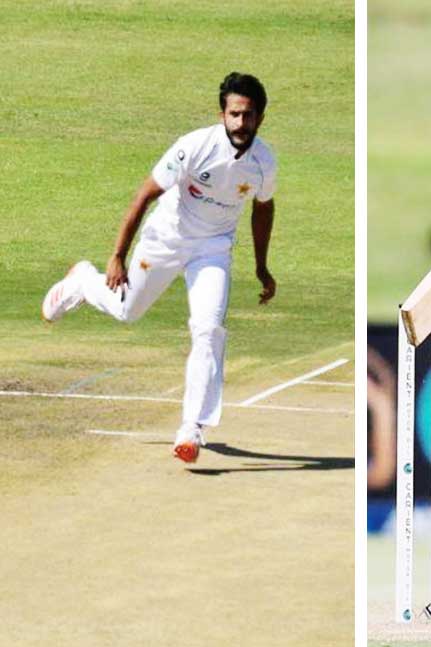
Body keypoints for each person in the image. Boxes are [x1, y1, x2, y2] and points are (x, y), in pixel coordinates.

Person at [41, 72, 278, 465]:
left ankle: (191, 428)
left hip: (213, 250)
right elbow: (145, 194)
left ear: (261, 118)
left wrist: (262, 267)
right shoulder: (194, 146)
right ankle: (83, 281)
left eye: (248, 115)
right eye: (234, 114)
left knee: (208, 329)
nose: (240, 123)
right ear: (222, 114)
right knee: (127, 310)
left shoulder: (264, 162)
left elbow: (263, 208)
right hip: (165, 240)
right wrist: (117, 255)